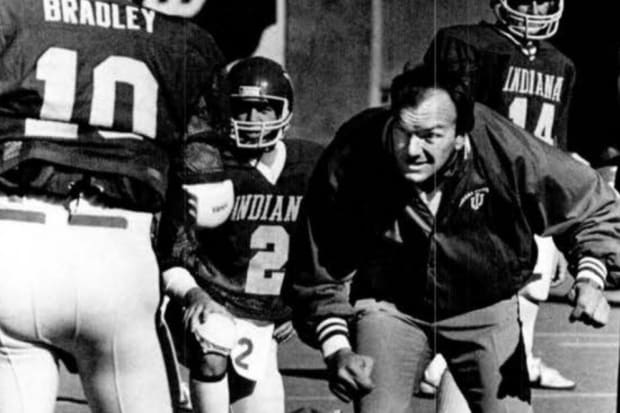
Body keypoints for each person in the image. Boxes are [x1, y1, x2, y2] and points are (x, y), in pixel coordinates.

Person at [283, 64, 619, 413]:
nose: (412, 149)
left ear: (461, 135)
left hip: (485, 305)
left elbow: (591, 202)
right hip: (391, 305)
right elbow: (318, 261)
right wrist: (337, 348)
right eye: (403, 130)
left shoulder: (502, 148)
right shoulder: (355, 152)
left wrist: (591, 276)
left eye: (430, 135)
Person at [0, 0, 228, 412]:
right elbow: (210, 199)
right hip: (118, 256)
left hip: (14, 243)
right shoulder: (180, 41)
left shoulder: (12, 14)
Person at [421, 0, 577, 396]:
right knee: (476, 308)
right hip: (481, 194)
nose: (534, 8)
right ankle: (443, 362)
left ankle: (505, 364)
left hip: (529, 198)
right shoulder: (465, 44)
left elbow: (554, 151)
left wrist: (555, 233)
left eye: (542, 0)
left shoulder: (560, 63)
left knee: (529, 293)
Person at [159, 57, 324, 413]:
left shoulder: (309, 166)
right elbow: (168, 252)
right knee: (215, 337)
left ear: (286, 111)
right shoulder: (206, 165)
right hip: (208, 298)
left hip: (262, 319)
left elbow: (316, 250)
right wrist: (195, 295)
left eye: (264, 109)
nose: (252, 121)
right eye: (242, 109)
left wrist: (293, 306)